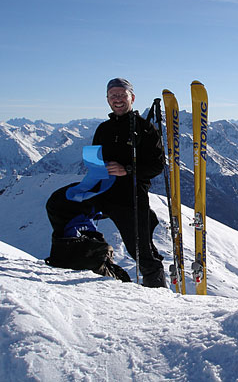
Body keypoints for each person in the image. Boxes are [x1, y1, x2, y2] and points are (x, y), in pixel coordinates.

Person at [45, 78, 167, 287]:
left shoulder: (145, 129)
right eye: (113, 96)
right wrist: (95, 167)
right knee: (58, 202)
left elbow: (156, 166)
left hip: (130, 195)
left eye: (122, 95)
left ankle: (158, 291)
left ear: (132, 98)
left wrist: (127, 170)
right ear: (108, 100)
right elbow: (96, 158)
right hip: (101, 190)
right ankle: (89, 250)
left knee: (139, 250)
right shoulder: (103, 128)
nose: (117, 99)